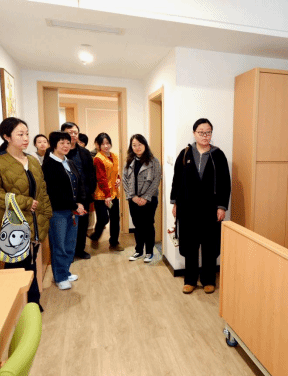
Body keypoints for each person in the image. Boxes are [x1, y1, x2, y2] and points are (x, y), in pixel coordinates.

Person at [0, 117, 53, 309]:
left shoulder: (32, 161)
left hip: (35, 224)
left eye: (27, 134)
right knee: (16, 270)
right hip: (13, 228)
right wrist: (25, 202)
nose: (26, 138)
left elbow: (42, 191)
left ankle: (33, 304)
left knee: (31, 266)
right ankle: (17, 310)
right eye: (20, 134)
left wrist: (47, 215)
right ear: (7, 137)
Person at [170, 118, 231, 294]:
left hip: (210, 209)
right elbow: (176, 180)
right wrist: (175, 203)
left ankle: (208, 280)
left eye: (208, 132)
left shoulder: (218, 155)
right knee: (190, 245)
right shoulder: (185, 154)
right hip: (188, 208)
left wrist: (221, 207)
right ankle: (190, 280)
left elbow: (225, 183)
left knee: (210, 245)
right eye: (201, 132)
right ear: (194, 133)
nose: (205, 136)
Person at [42, 131, 87, 290]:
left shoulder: (69, 162)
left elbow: (79, 183)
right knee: (59, 245)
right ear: (54, 145)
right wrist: (75, 205)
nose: (66, 146)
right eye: (62, 143)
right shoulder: (49, 165)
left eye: (68, 142)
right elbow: (54, 192)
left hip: (73, 210)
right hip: (58, 212)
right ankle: (60, 277)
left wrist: (80, 202)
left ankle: (65, 272)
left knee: (70, 244)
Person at [123, 134, 162, 262]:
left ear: (145, 145)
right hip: (133, 199)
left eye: (140, 144)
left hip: (149, 200)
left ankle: (149, 252)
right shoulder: (129, 161)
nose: (137, 147)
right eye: (134, 145)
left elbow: (156, 181)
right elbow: (124, 180)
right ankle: (138, 250)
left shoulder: (154, 161)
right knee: (137, 225)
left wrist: (145, 197)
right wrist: (133, 197)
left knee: (148, 225)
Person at [61, 122, 96, 260]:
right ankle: (67, 253)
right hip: (64, 196)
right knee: (67, 224)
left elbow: (91, 174)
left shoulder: (85, 153)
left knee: (82, 224)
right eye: (69, 132)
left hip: (83, 195)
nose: (73, 135)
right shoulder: (57, 152)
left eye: (75, 132)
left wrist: (90, 190)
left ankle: (80, 249)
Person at [89, 133, 125, 251]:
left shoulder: (114, 156)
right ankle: (96, 235)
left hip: (114, 193)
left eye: (107, 143)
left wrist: (118, 179)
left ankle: (114, 242)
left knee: (115, 219)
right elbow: (101, 178)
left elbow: (114, 172)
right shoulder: (98, 158)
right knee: (103, 218)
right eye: (103, 144)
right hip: (101, 195)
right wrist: (107, 195)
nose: (106, 146)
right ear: (98, 145)